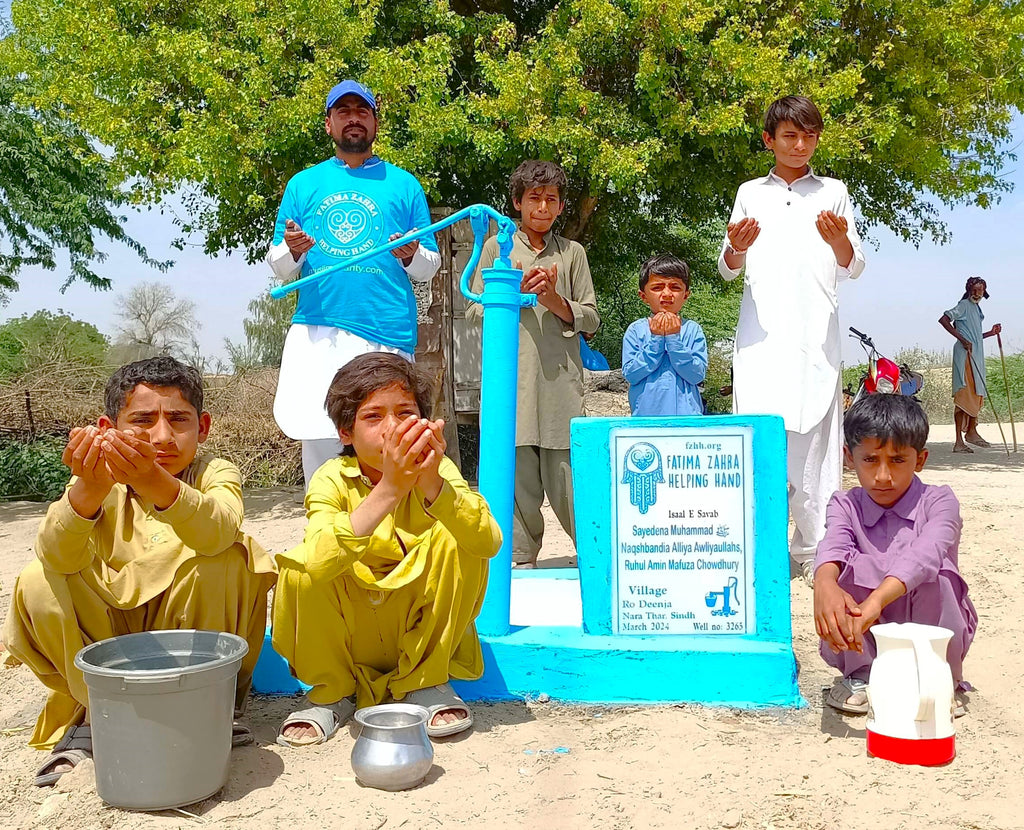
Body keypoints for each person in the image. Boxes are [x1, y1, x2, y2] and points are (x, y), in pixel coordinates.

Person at [3, 357, 276, 786]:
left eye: (178, 420)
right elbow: (56, 554)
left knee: (232, 556)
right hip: (108, 639)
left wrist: (153, 481)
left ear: (202, 428)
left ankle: (204, 708)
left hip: (186, 642)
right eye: (143, 420)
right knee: (40, 577)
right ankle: (98, 715)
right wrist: (89, 489)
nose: (163, 436)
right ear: (108, 428)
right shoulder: (95, 478)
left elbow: (219, 528)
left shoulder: (214, 473)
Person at [271, 353, 501, 746]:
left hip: (416, 628)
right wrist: (390, 488)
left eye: (405, 413)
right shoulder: (332, 478)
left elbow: (488, 542)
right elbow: (321, 560)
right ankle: (332, 691)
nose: (392, 428)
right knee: (301, 564)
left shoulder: (439, 471)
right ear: (346, 432)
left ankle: (424, 682)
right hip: (353, 633)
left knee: (458, 536)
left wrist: (431, 483)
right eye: (374, 417)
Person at [718, 95, 866, 584]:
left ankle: (814, 553)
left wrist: (837, 239)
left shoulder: (834, 192)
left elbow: (853, 264)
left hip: (815, 339)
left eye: (809, 135)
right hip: (760, 340)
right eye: (790, 135)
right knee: (759, 441)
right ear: (769, 140)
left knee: (817, 450)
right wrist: (736, 249)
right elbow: (728, 266)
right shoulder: (748, 192)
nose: (800, 145)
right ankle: (759, 552)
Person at [266, 79, 441, 488]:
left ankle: (390, 542)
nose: (353, 119)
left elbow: (428, 267)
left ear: (375, 123)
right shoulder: (302, 184)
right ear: (329, 124)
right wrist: (293, 249)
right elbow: (279, 268)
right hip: (318, 328)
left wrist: (411, 253)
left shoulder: (404, 184)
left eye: (362, 111)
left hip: (386, 331)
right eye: (343, 112)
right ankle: (325, 535)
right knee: (322, 440)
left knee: (389, 441)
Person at [469, 160, 600, 568]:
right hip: (512, 385)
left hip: (561, 386)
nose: (542, 207)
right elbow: (473, 311)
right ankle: (520, 561)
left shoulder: (572, 253)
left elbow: (592, 318)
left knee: (570, 481)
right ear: (516, 203)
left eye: (551, 200)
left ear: (561, 207)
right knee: (516, 483)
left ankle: (598, 558)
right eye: (533, 199)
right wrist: (515, 294)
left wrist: (553, 300)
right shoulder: (496, 248)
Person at [813, 395, 977, 716]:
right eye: (871, 460)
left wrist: (876, 601)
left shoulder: (939, 501)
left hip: (930, 625)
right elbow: (833, 544)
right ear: (849, 457)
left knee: (937, 574)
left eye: (898, 460)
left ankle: (938, 676)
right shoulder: (844, 505)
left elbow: (926, 552)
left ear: (920, 459)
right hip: (866, 632)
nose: (883, 476)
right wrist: (824, 582)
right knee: (841, 574)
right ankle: (861, 673)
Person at [622, 253, 708, 416]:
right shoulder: (635, 330)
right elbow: (631, 375)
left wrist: (674, 339)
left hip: (686, 421)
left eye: (675, 287)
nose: (667, 294)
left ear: (686, 295)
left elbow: (696, 375)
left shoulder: (693, 330)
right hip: (646, 421)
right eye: (657, 287)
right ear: (643, 296)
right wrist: (656, 340)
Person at [939, 276, 1002, 453]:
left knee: (976, 393)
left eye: (980, 290)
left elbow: (974, 336)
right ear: (969, 290)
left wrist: (990, 333)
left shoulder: (976, 308)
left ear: (984, 291)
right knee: (964, 396)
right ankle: (959, 441)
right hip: (964, 355)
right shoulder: (964, 305)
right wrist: (962, 339)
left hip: (976, 356)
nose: (977, 293)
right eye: (974, 289)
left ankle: (972, 432)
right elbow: (944, 319)